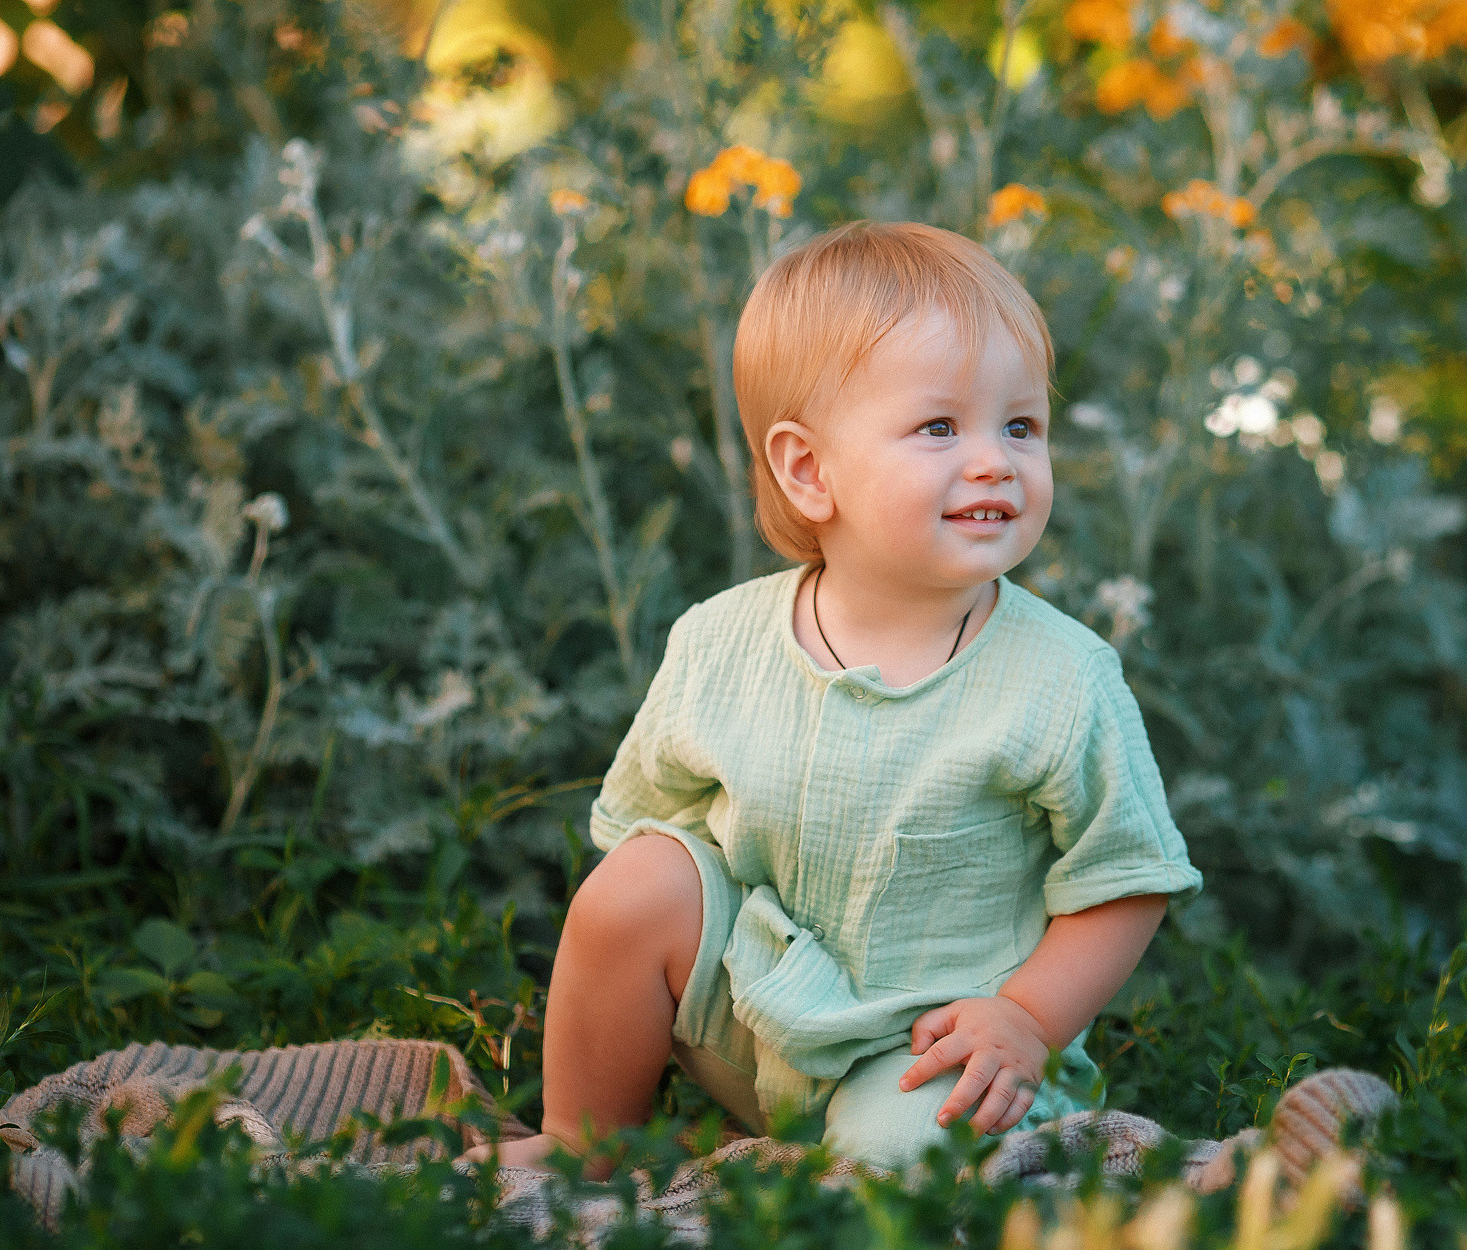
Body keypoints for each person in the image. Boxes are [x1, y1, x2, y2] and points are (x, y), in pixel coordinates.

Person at [467, 221, 1202, 1173]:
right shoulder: (719, 643)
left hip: (941, 1053)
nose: (994, 460)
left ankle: (880, 1170)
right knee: (638, 883)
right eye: (940, 427)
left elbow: (1127, 878)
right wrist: (664, 945)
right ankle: (582, 1144)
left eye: (1020, 425)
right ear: (809, 470)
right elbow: (646, 842)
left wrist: (1025, 1018)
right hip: (757, 1017)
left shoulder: (1060, 680)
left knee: (899, 1161)